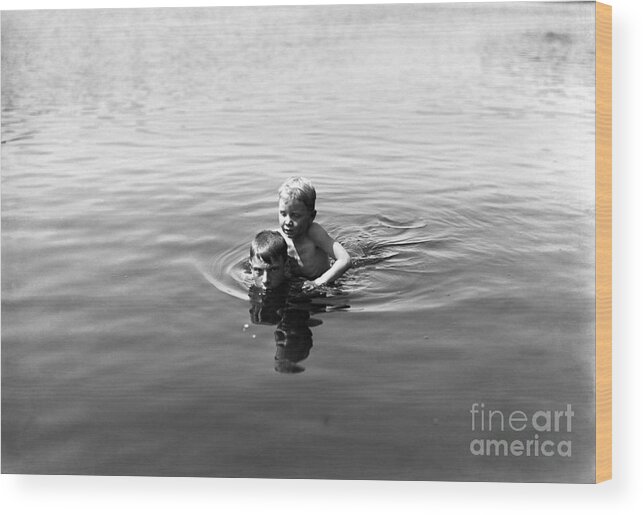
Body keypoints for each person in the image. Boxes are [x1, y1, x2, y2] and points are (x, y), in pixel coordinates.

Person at [277, 176, 351, 286]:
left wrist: (318, 282)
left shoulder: (314, 233)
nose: (288, 222)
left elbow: (345, 259)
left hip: (322, 284)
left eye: (295, 216)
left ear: (312, 216)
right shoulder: (278, 237)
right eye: (283, 214)